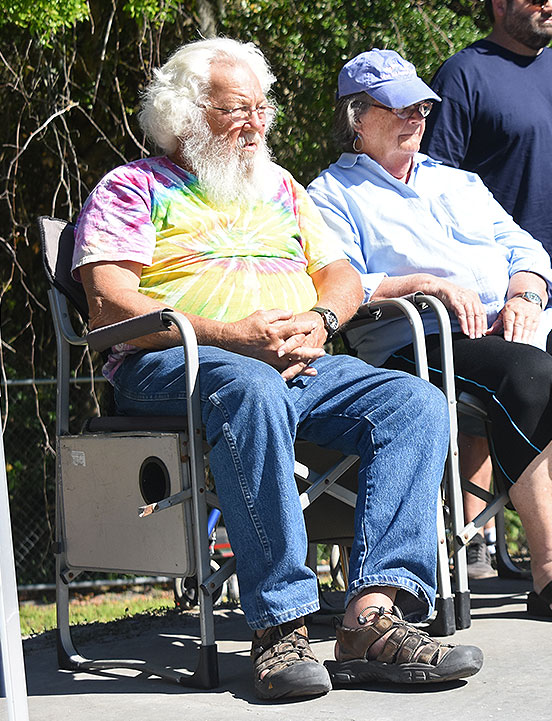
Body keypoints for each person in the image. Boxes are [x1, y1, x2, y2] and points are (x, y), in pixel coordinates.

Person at [71, 37, 483, 700]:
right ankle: (279, 625)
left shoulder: (281, 188)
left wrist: (321, 321)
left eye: (261, 109)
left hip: (297, 360)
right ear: (184, 116)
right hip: (173, 362)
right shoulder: (133, 186)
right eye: (238, 110)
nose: (256, 123)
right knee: (250, 383)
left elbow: (342, 274)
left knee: (416, 402)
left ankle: (370, 617)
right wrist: (230, 336)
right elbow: (109, 299)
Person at [308, 49, 552, 622]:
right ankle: (551, 565)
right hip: (420, 335)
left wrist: (525, 293)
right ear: (357, 117)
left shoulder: (459, 182)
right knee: (529, 376)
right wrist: (423, 284)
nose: (417, 117)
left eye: (424, 106)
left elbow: (526, 250)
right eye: (401, 107)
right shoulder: (329, 195)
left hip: (509, 318)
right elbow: (342, 281)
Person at [420, 0, 552, 567]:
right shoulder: (465, 74)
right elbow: (437, 181)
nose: (550, 6)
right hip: (503, 283)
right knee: (493, 406)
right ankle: (473, 538)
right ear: (500, 4)